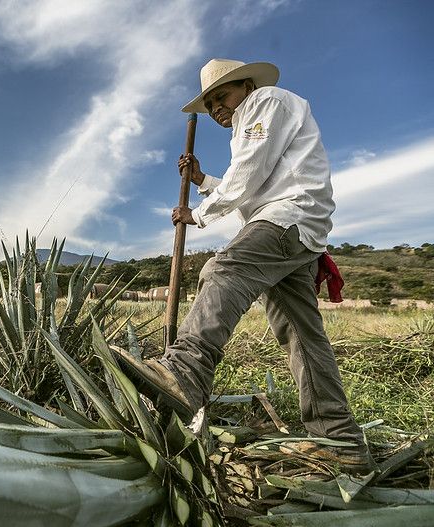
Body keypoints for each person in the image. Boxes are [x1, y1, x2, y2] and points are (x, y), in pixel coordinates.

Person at [117, 58, 375, 474]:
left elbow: (249, 173)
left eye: (222, 96)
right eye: (211, 103)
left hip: (286, 218)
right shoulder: (253, 121)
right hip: (296, 231)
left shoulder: (264, 101)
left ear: (247, 84)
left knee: (222, 270)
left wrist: (198, 214)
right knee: (301, 336)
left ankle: (186, 370)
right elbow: (252, 181)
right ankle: (340, 439)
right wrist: (202, 181)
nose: (218, 108)